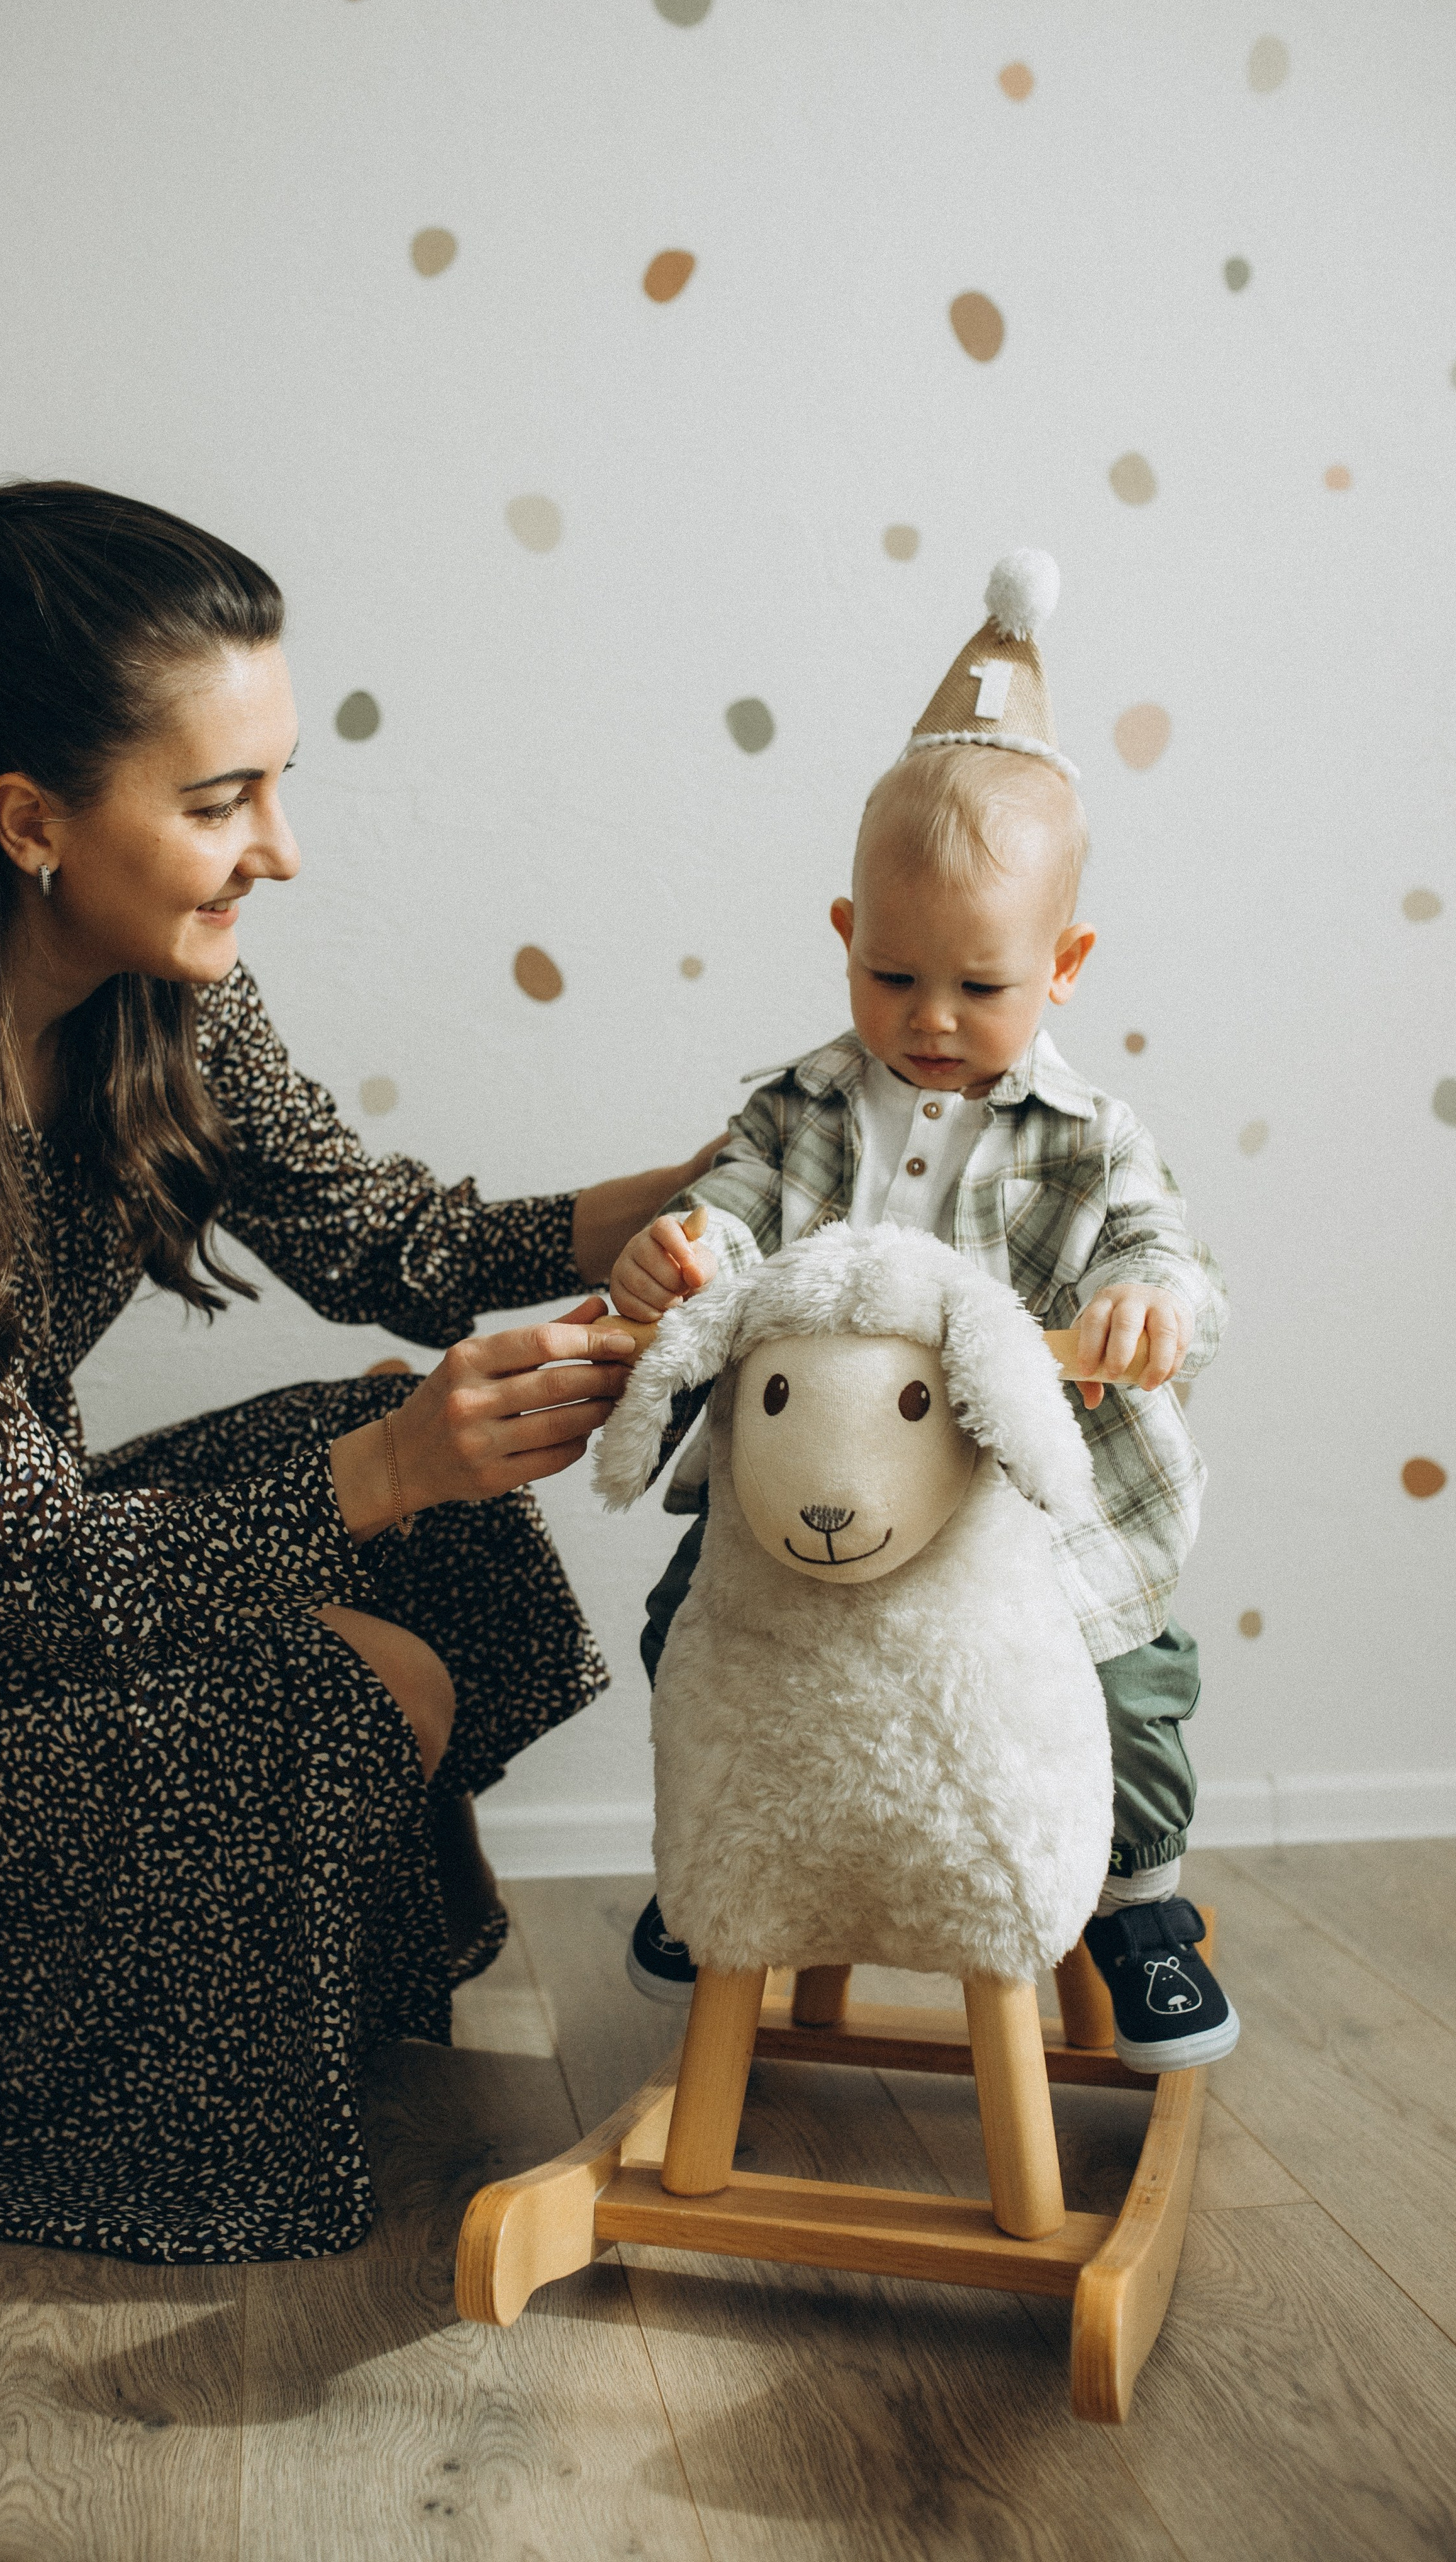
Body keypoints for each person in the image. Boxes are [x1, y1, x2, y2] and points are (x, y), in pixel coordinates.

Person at [0, 480, 718, 2261]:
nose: (280, 847)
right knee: (335, 1658)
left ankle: (242, 1989)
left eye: (279, 782)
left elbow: (389, 1242)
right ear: (32, 820)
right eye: (217, 801)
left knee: (433, 1544)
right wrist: (395, 1466)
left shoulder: (164, 990)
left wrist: (724, 1174)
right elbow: (13, 1577)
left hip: (1, 1562)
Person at [606, 553, 1238, 2074]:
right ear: (843, 934)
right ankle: (733, 1861)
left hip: (1016, 1508)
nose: (930, 1019)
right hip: (821, 1493)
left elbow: (1167, 1253)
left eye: (979, 984)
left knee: (1127, 1678)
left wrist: (1148, 1304)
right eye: (891, 974)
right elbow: (738, 1202)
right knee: (682, 1623)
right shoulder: (806, 1103)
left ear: (1063, 968)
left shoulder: (1086, 1139)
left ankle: (1130, 1900)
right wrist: (680, 1244)